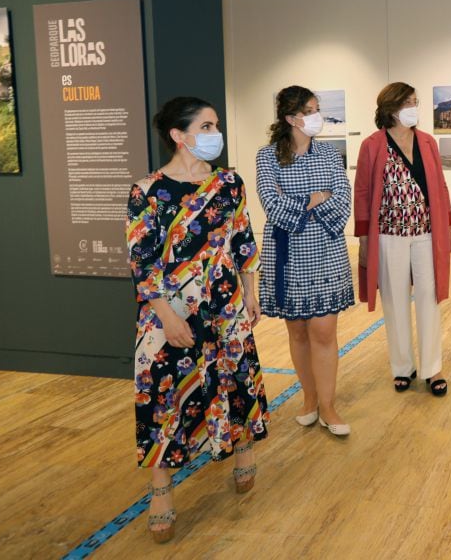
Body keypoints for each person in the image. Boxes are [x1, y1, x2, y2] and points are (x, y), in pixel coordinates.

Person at [126, 96, 269, 543]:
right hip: (167, 309)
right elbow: (142, 261)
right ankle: (161, 488)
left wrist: (250, 290)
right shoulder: (146, 191)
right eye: (206, 126)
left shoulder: (228, 183)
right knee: (162, 394)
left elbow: (243, 237)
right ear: (178, 135)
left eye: (215, 126)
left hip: (224, 302)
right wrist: (166, 316)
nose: (214, 134)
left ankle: (241, 446)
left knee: (235, 376)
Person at [256, 86, 354, 437]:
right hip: (286, 253)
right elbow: (271, 204)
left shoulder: (329, 153)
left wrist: (302, 200)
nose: (317, 116)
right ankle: (309, 398)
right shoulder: (267, 157)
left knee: (324, 331)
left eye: (317, 109)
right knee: (297, 330)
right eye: (310, 110)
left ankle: (328, 405)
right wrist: (316, 197)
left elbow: (342, 199)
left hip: (326, 248)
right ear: (290, 118)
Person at [354, 82, 451, 397]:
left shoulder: (427, 142)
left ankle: (432, 368)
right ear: (392, 107)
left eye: (416, 100)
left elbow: (439, 185)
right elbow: (362, 191)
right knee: (395, 300)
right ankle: (402, 367)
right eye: (409, 101)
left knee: (429, 296)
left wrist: (449, 223)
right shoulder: (372, 144)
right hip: (388, 235)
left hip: (426, 232)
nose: (415, 106)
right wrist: (363, 238)